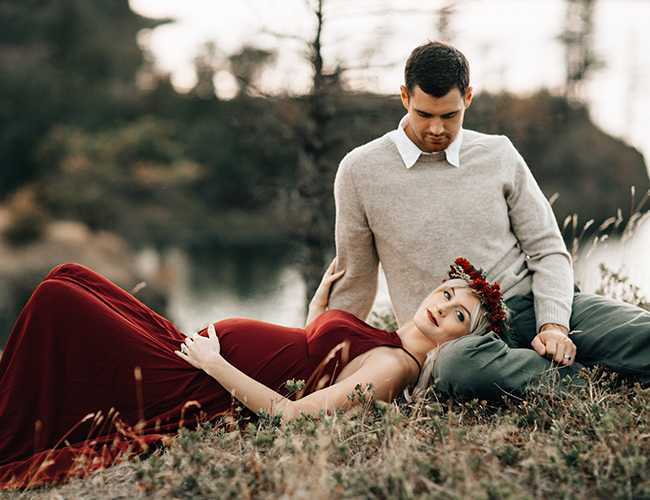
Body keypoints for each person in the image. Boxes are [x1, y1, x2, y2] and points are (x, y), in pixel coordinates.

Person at [328, 40, 650, 402]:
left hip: (532, 305)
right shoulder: (359, 171)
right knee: (457, 370)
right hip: (456, 340)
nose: (436, 128)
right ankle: (591, 380)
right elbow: (354, 281)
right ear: (405, 97)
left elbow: (548, 250)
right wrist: (320, 355)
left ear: (467, 98)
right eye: (424, 114)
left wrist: (554, 324)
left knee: (642, 335)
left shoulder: (498, 153)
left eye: (449, 115)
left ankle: (567, 362)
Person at [0, 258, 502, 488]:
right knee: (70, 275)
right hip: (193, 355)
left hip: (196, 382)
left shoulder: (395, 366)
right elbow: (316, 367)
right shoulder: (388, 342)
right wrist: (317, 312)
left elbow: (294, 414)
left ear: (462, 339)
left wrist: (216, 364)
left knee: (57, 299)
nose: (444, 306)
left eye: (460, 315)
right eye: (447, 293)